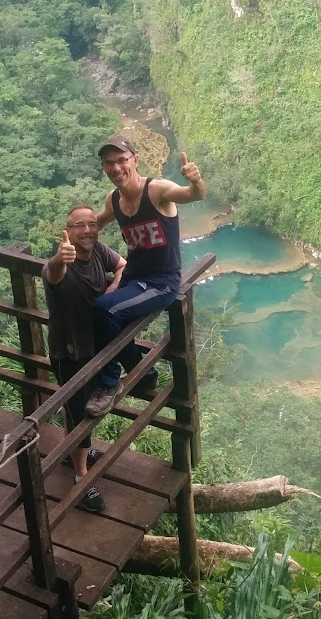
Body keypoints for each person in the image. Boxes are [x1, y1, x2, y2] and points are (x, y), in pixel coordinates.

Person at [83, 135, 207, 417]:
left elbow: (195, 195)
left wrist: (196, 179)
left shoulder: (157, 191)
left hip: (161, 282)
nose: (116, 168)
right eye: (109, 163)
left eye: (122, 160)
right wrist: (75, 236)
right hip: (133, 275)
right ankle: (142, 373)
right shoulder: (113, 200)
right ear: (104, 167)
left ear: (135, 161)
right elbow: (98, 223)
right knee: (95, 305)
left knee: (104, 309)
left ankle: (111, 382)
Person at [42, 204, 126, 512]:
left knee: (76, 407)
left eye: (92, 223)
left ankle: (74, 451)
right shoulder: (60, 261)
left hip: (94, 345)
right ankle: (81, 478)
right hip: (69, 351)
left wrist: (112, 292)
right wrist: (59, 259)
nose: (88, 229)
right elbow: (53, 273)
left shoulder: (100, 250)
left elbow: (123, 264)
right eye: (80, 226)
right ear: (68, 231)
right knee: (80, 415)